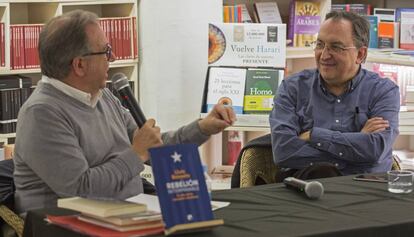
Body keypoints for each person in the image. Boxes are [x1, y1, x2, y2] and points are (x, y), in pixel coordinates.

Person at [13, 10, 236, 214]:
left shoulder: (103, 97)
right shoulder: (41, 113)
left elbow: (154, 146)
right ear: (79, 65)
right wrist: (137, 154)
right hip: (68, 224)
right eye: (106, 52)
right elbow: (81, 189)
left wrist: (203, 128)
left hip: (127, 213)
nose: (113, 59)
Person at [270, 11, 400, 182]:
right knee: (323, 172)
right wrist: (358, 144)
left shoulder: (384, 91)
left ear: (360, 54)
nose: (324, 55)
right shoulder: (292, 88)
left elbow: (375, 150)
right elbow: (283, 152)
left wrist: (314, 136)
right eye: (320, 45)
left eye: (336, 47)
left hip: (367, 192)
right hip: (306, 193)